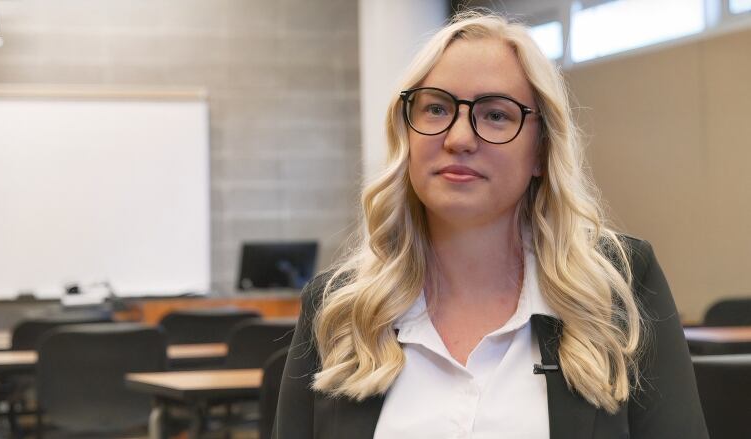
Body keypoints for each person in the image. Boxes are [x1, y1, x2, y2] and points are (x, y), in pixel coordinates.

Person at [273, 10, 708, 439]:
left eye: (495, 114)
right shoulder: (337, 309)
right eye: (437, 109)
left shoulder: (620, 286)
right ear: (407, 135)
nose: (459, 138)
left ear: (541, 150)